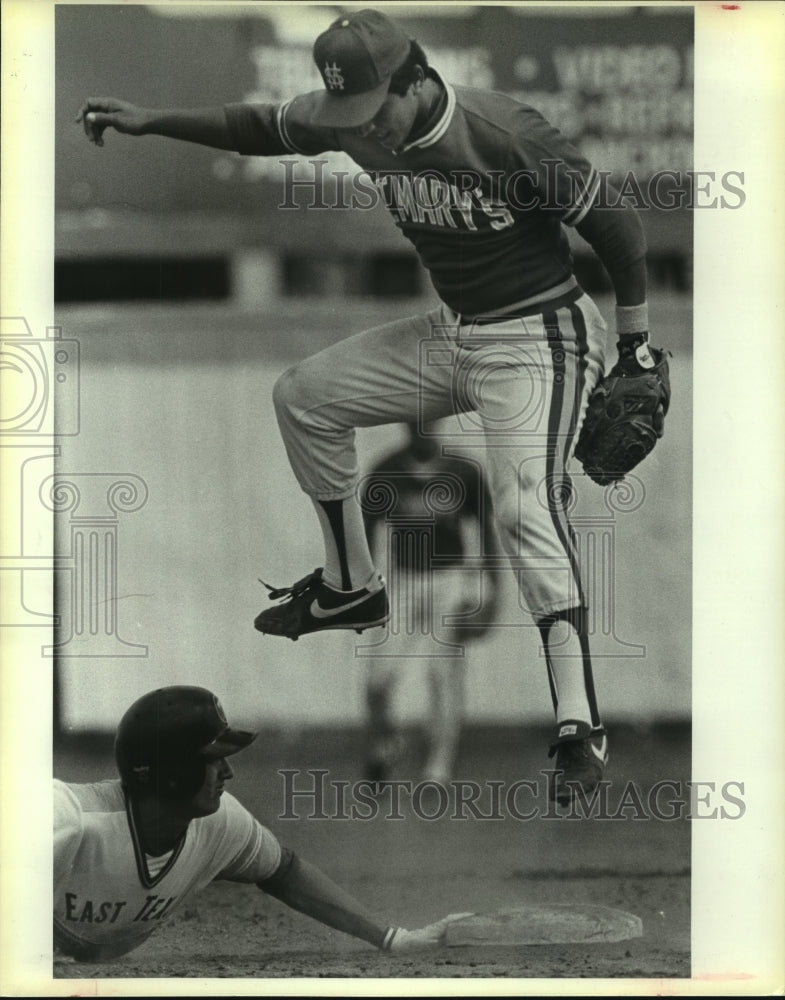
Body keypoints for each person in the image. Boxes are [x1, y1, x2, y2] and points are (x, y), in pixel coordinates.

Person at [77, 8, 655, 804]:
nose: (367, 123)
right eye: (352, 107)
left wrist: (635, 347)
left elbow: (616, 227)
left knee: (525, 505)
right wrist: (153, 123)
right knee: (304, 397)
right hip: (454, 333)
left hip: (539, 333)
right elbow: (257, 127)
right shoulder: (349, 116)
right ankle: (351, 584)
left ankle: (578, 725)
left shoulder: (501, 131)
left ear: (419, 78)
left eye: (380, 102)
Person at [54, 685, 467, 963]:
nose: (227, 772)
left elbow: (284, 872)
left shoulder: (220, 823)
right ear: (170, 770)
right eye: (212, 759)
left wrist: (390, 938)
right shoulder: (72, 817)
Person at [360, 422, 499, 786]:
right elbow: (363, 533)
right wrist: (361, 590)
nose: (421, 427)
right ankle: (386, 742)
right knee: (378, 678)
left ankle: (439, 762)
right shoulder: (386, 470)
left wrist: (491, 590)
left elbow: (486, 530)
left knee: (442, 672)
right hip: (403, 580)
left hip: (449, 579)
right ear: (404, 424)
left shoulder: (463, 470)